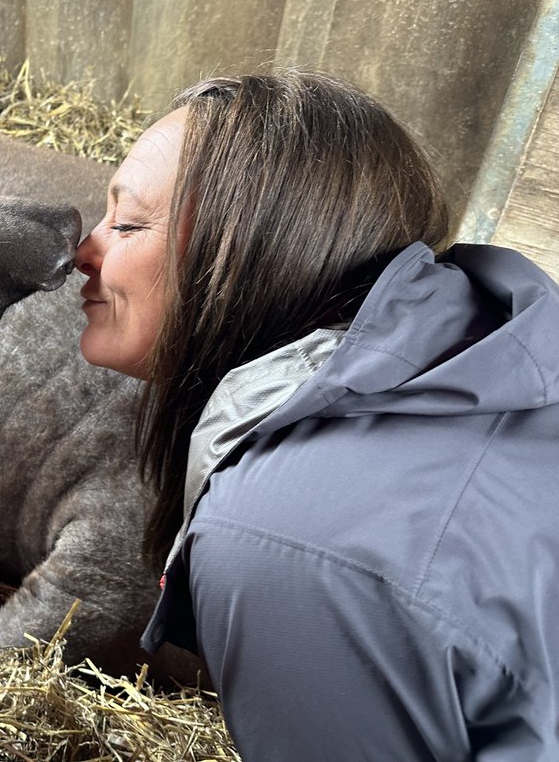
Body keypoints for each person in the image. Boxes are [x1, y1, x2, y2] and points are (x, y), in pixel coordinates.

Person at [74, 70, 559, 759]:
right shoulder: (491, 345)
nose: (82, 251)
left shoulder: (274, 539)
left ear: (250, 249)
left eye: (125, 222)